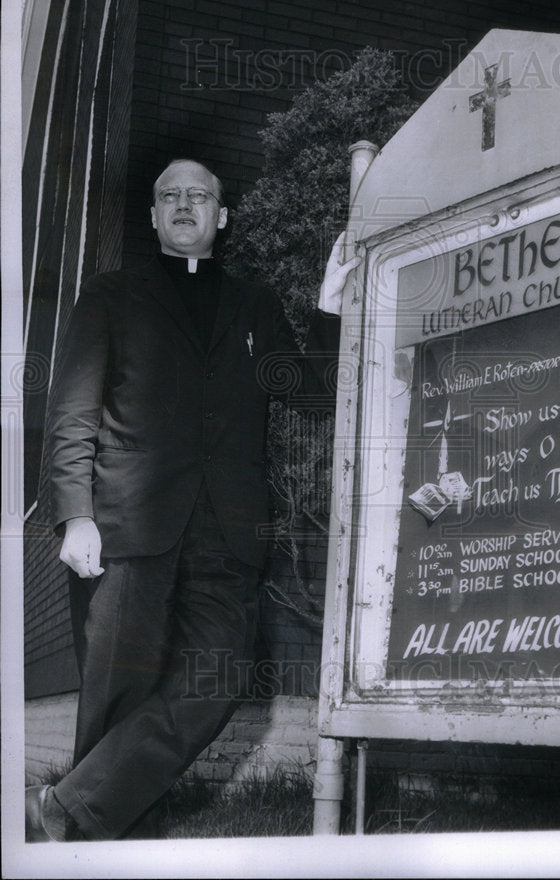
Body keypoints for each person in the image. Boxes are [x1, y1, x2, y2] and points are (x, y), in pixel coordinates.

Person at [25, 158, 359, 841]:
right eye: (170, 196)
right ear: (153, 216)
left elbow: (310, 392)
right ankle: (99, 839)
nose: (184, 205)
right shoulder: (112, 294)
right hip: (126, 526)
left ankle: (66, 810)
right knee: (118, 694)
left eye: (198, 195)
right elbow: (73, 412)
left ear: (220, 215)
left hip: (229, 532)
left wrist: (329, 304)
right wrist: (75, 515)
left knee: (219, 677)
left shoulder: (254, 304)